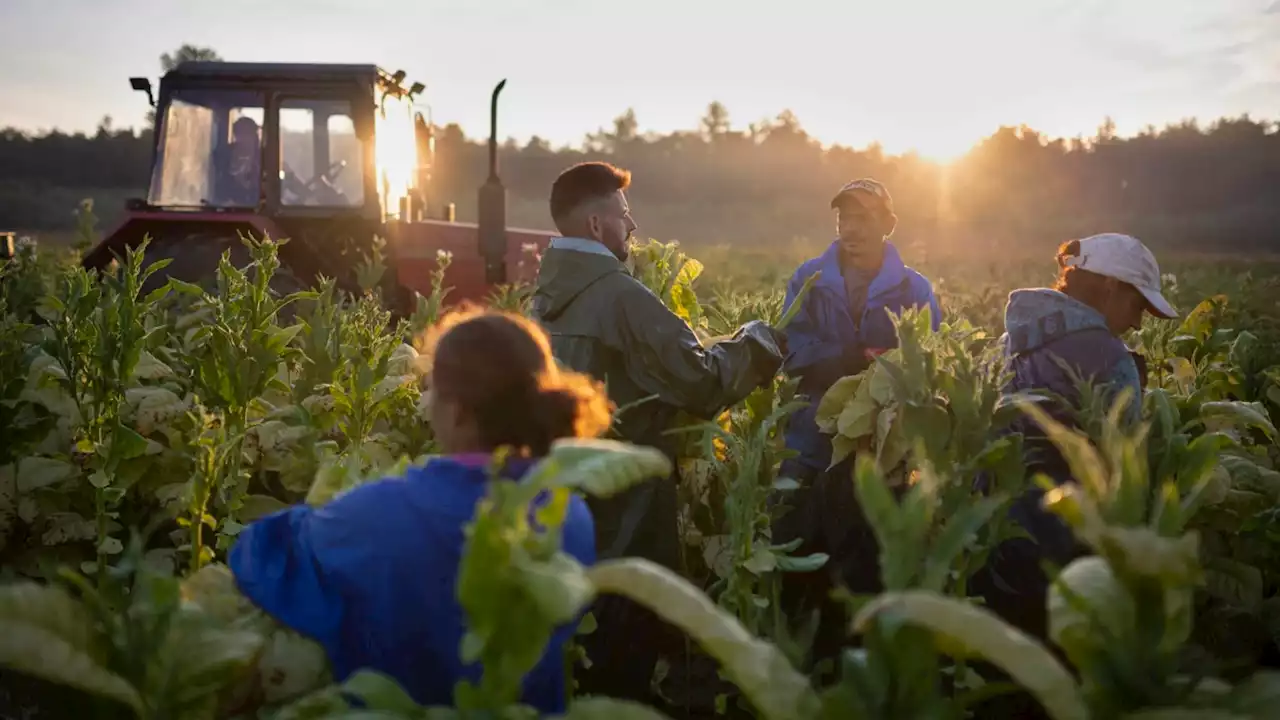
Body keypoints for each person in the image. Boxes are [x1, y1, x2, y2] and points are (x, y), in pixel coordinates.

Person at [228, 308, 612, 714]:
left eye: (431, 391)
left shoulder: (380, 512)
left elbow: (259, 558)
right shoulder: (569, 516)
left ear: (459, 411)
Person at [530, 161, 787, 704]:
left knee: (581, 644)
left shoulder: (542, 301)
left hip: (569, 499)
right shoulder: (619, 297)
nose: (632, 229)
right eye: (625, 217)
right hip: (627, 504)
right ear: (598, 226)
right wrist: (758, 343)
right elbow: (701, 382)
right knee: (624, 646)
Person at [967, 233, 1177, 718]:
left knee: (996, 681)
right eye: (1137, 303)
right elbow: (1124, 463)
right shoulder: (1111, 359)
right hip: (1063, 555)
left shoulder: (1007, 343)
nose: (1138, 319)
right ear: (1106, 287)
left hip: (988, 538)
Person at [770, 178, 939, 666]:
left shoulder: (914, 288)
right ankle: (798, 669)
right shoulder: (808, 279)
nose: (852, 228)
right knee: (798, 560)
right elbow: (790, 348)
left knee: (863, 570)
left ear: (888, 224)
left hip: (878, 449)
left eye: (865, 217)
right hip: (809, 442)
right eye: (845, 217)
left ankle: (855, 672)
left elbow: (926, 358)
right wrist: (849, 357)